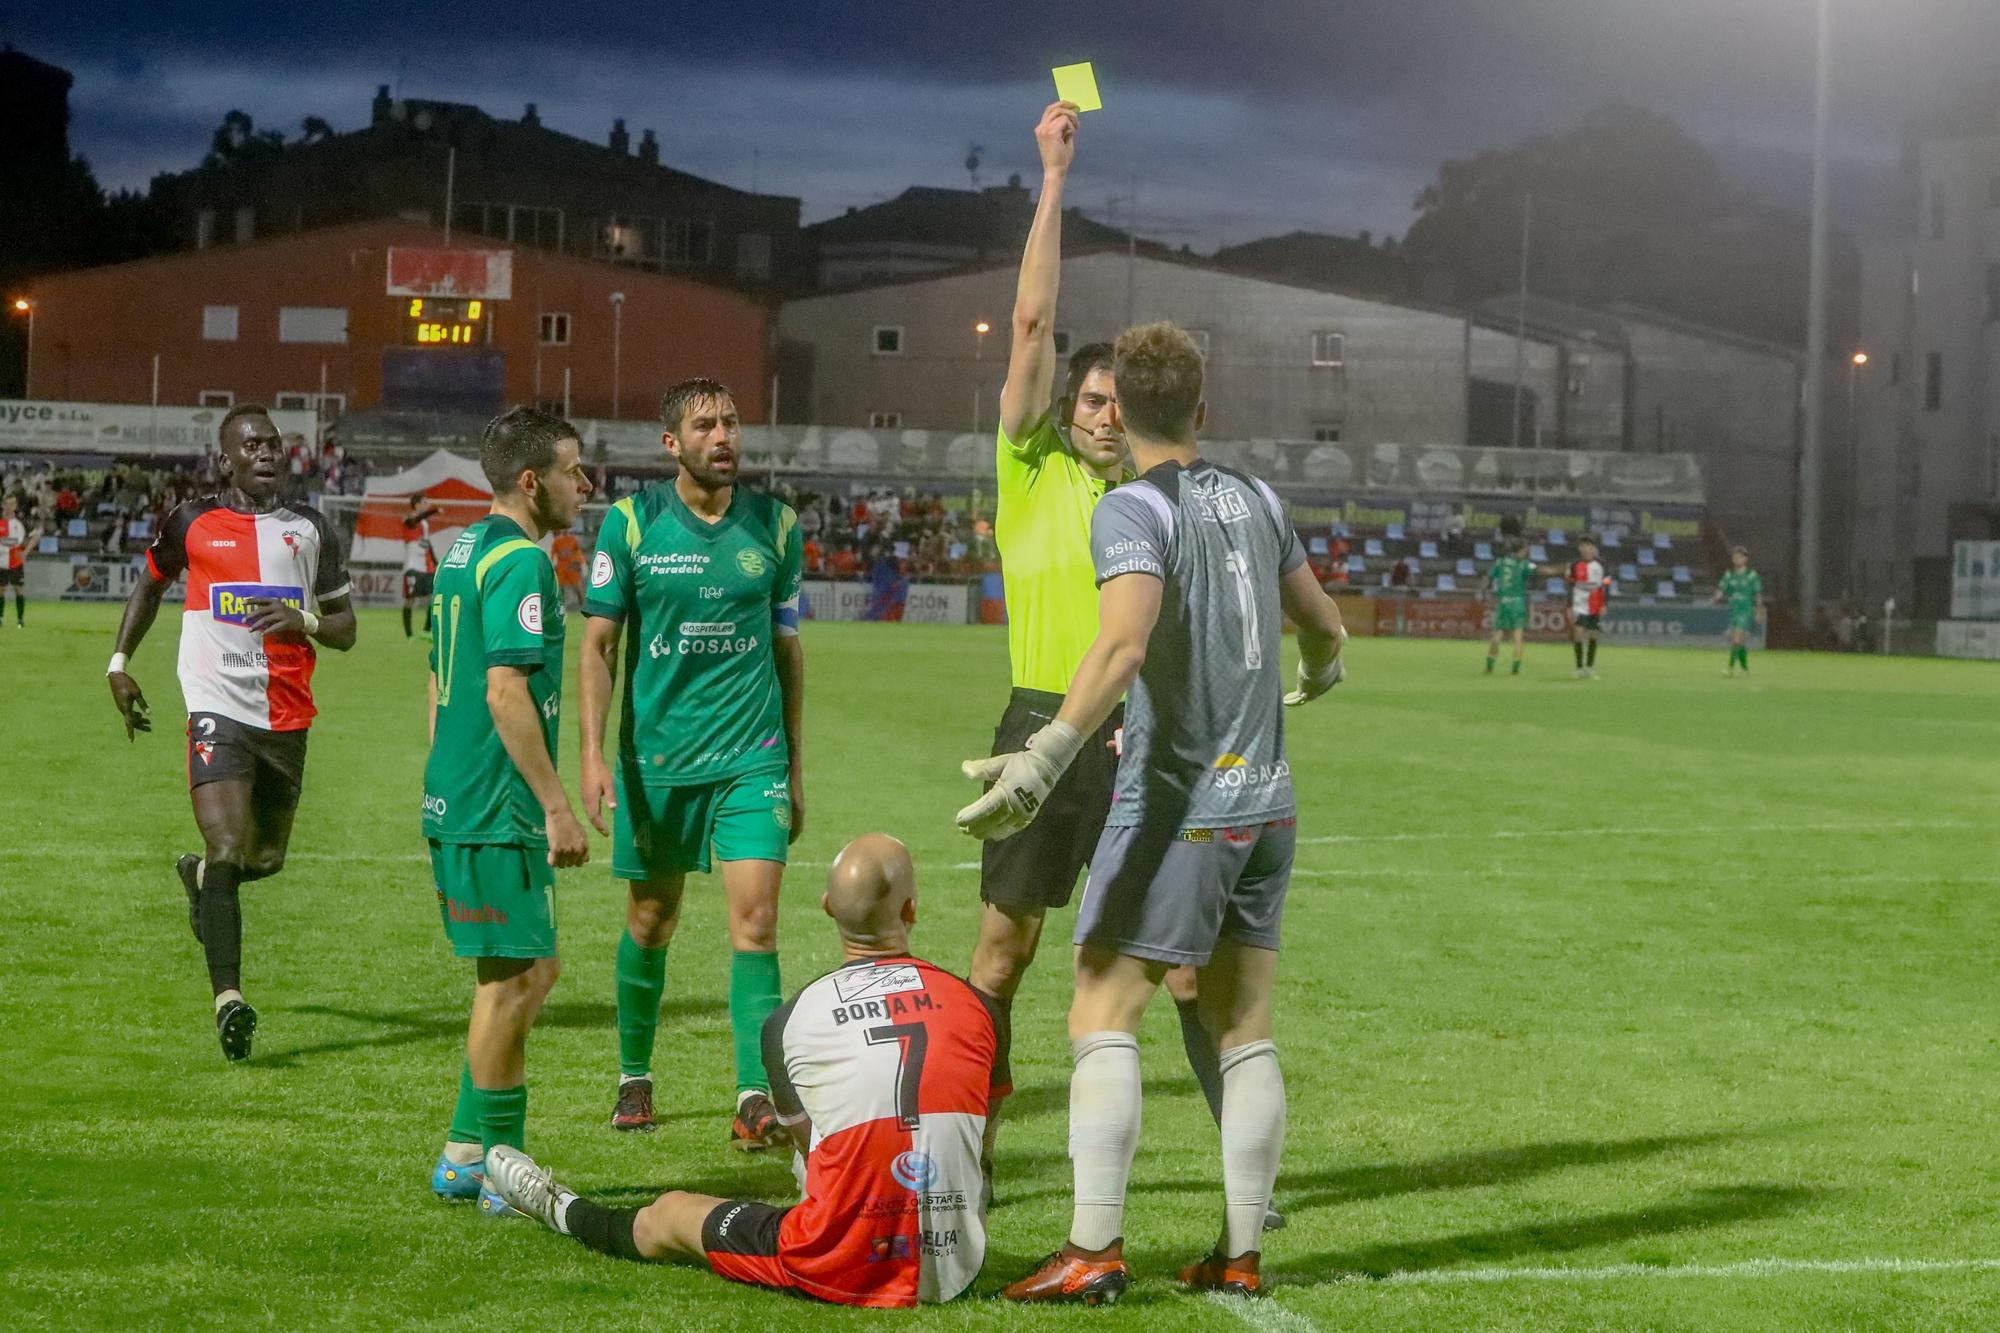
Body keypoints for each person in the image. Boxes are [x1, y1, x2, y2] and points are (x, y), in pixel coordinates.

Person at [958, 323, 1348, 1302]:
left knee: (1098, 1009)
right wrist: (1317, 672)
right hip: (1268, 804)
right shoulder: (1257, 496)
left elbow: (1120, 646)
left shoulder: (1132, 508)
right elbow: (1325, 625)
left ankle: (1091, 1250)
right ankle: (1239, 1250)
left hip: (1178, 803)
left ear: (1121, 413)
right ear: (1201, 410)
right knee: (1242, 1022)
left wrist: (1044, 754)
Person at [483, 834, 1003, 1305]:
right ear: (912, 908)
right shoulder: (974, 1005)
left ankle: (556, 1205)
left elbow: (809, 1152)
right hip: (957, 1263)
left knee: (670, 1214)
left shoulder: (789, 1021)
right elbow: (981, 1147)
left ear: (826, 907)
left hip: (843, 1264)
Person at [579, 378, 806, 1145]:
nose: (725, 435)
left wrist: (795, 766)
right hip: (659, 760)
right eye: (705, 424)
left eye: (732, 421)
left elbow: (786, 651)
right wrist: (591, 754)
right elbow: (600, 645)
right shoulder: (632, 524)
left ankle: (755, 1093)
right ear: (671, 443)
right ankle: (634, 1074)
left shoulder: (776, 525)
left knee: (759, 921)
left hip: (752, 756)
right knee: (651, 917)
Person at [105, 405, 357, 1060]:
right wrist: (119, 663)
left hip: (286, 714)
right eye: (252, 444)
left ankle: (201, 882)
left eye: (274, 443)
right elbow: (150, 588)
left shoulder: (311, 529)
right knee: (226, 844)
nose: (268, 453)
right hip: (216, 705)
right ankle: (230, 1000)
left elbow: (346, 629)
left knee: (262, 859)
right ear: (226, 459)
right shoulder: (190, 522)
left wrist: (300, 619)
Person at [423, 406, 594, 1216]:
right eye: (573, 469)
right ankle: (498, 1163)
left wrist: (441, 775)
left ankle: (465, 1149)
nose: (584, 483)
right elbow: (502, 689)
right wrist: (556, 806)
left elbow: (438, 679)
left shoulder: (460, 550)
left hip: (464, 794)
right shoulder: (522, 562)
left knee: (530, 970)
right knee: (513, 979)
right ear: (532, 482)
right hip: (497, 804)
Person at [1482, 538, 1537, 675]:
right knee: (1518, 635)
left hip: (1504, 601)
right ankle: (1515, 668)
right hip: (1517, 602)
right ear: (1522, 550)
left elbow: (1488, 578)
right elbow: (1536, 571)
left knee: (1497, 635)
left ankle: (1489, 665)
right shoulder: (1524, 564)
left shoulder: (1500, 562)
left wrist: (1484, 591)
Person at [1713, 546, 1764, 675]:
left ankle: (1729, 668)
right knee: (1739, 642)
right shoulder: (1729, 575)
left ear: (1745, 559)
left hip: (1745, 611)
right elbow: (1721, 589)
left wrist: (1759, 612)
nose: (1736, 560)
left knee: (1736, 639)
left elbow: (1757, 595)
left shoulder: (1751, 575)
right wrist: (1716, 597)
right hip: (1734, 611)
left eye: (1739, 557)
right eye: (1734, 557)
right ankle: (1744, 668)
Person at [1567, 537, 1612, 678]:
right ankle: (1579, 667)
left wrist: (1605, 603)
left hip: (1595, 602)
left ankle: (1590, 667)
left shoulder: (1602, 565)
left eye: (1589, 546)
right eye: (1583, 546)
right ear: (1580, 548)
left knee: (1593, 634)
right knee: (1578, 632)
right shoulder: (1574, 565)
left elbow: (1607, 585)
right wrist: (1569, 605)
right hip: (1579, 602)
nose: (1586, 549)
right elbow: (1570, 585)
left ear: (1593, 548)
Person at [402, 493, 443, 638]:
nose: (427, 504)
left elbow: (427, 543)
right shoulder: (408, 520)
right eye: (425, 502)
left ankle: (426, 631)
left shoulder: (425, 524)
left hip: (426, 567)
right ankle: (409, 635)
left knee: (434, 596)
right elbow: (416, 519)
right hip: (412, 567)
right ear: (417, 504)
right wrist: (434, 511)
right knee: (410, 600)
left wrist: (436, 562)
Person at [0, 494, 43, 626]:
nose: (9, 507)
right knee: (0, 590)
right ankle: (0, 618)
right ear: (3, 505)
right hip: (1, 561)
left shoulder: (21, 522)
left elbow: (37, 534)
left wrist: (26, 552)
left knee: (18, 589)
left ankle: (20, 620)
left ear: (15, 506)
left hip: (15, 561)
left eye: (12, 504)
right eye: (7, 504)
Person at [551, 528, 585, 614]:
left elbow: (578, 552)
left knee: (577, 587)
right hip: (561, 568)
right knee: (561, 588)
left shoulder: (573, 540)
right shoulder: (557, 542)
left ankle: (583, 605)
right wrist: (553, 565)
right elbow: (553, 555)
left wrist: (581, 564)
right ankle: (562, 607)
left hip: (571, 567)